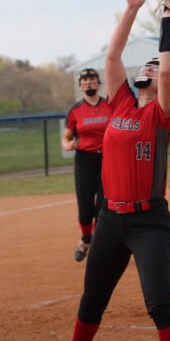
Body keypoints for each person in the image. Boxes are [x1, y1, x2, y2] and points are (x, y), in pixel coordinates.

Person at [72, 0, 170, 341]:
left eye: (155, 68)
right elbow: (111, 57)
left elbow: (167, 73)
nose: (151, 69)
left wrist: (168, 19)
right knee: (92, 302)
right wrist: (133, 9)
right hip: (110, 220)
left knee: (159, 304)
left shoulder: (161, 114)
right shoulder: (120, 101)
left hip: (148, 221)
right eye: (148, 67)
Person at [63, 67, 112, 263]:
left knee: (102, 206)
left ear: (99, 84)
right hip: (84, 160)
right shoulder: (75, 110)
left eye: (92, 80)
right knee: (85, 210)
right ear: (80, 86)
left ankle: (99, 244)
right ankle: (85, 241)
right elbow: (67, 136)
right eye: (85, 81)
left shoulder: (110, 104)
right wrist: (67, 144)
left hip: (108, 159)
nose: (89, 83)